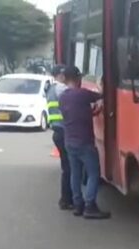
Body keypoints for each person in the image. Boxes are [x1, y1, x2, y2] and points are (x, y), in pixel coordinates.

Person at [58, 66, 110, 219]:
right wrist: (101, 84)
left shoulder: (63, 97)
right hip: (84, 141)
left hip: (69, 141)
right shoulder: (82, 94)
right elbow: (101, 95)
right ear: (78, 78)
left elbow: (76, 115)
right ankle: (90, 206)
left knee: (75, 173)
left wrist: (93, 112)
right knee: (94, 173)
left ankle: (78, 204)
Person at [46, 65, 73, 210]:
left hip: (57, 131)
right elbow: (75, 95)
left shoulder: (50, 89)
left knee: (66, 167)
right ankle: (66, 199)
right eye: (64, 74)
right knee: (69, 168)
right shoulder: (61, 89)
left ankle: (66, 199)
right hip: (63, 131)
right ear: (60, 75)